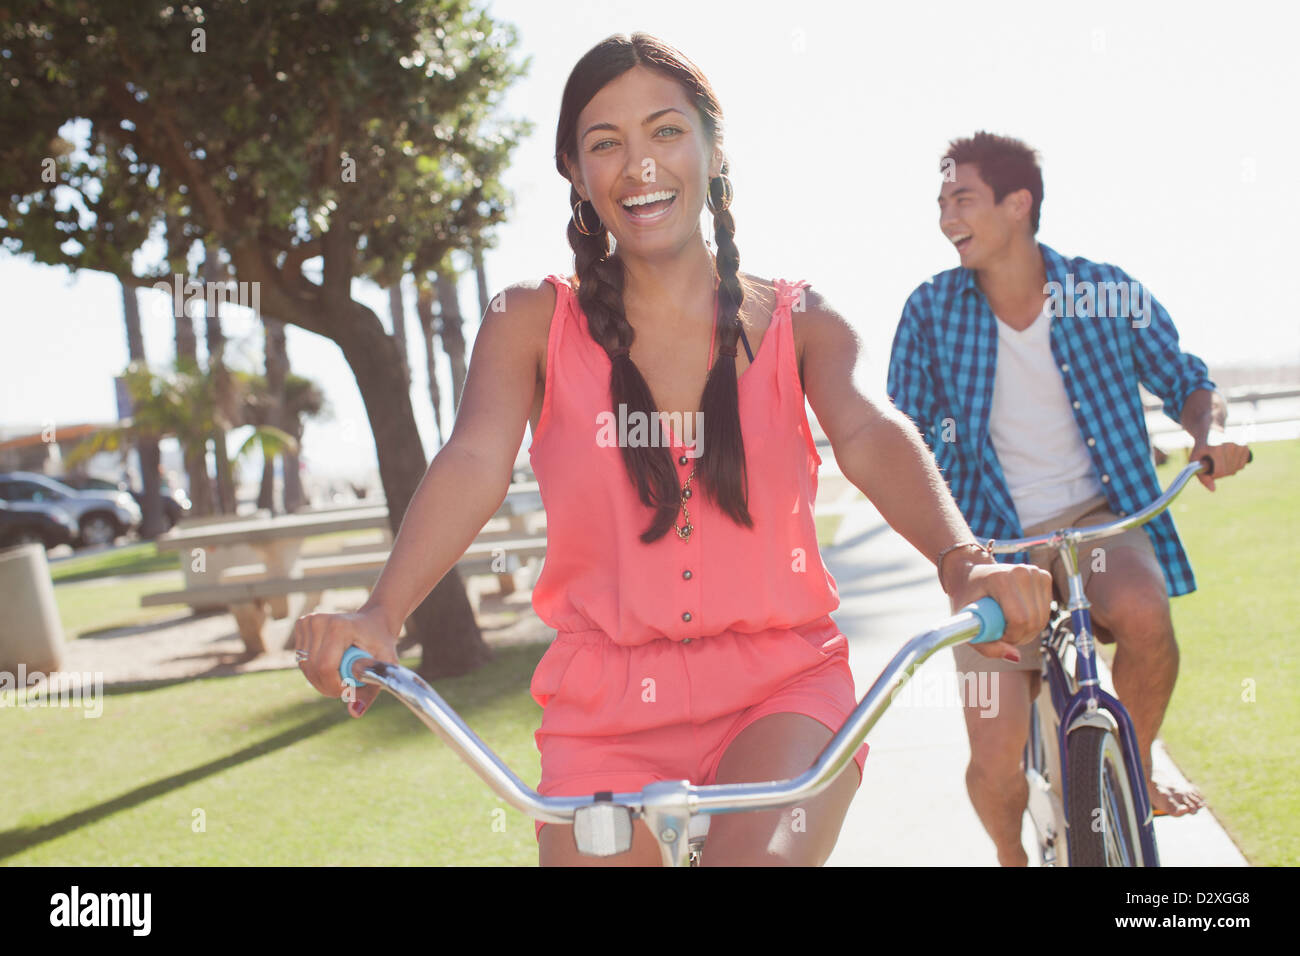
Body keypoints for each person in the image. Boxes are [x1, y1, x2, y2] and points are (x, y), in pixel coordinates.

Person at [292, 37, 1050, 867]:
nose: (637, 165)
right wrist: (382, 612)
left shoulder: (805, 323)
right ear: (577, 174)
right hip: (601, 707)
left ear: (713, 148)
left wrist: (960, 560)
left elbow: (867, 432)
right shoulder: (529, 323)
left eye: (664, 132)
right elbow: (474, 460)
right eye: (605, 143)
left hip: (781, 690)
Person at [886, 131, 1252, 866]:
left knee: (1145, 613)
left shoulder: (1103, 291)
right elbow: (904, 435)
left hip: (1098, 517)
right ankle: (1010, 857)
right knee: (995, 764)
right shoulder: (930, 311)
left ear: (1017, 204)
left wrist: (1210, 433)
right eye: (941, 201)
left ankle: (1136, 766)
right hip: (991, 539)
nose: (945, 216)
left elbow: (1186, 380)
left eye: (962, 198)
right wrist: (955, 553)